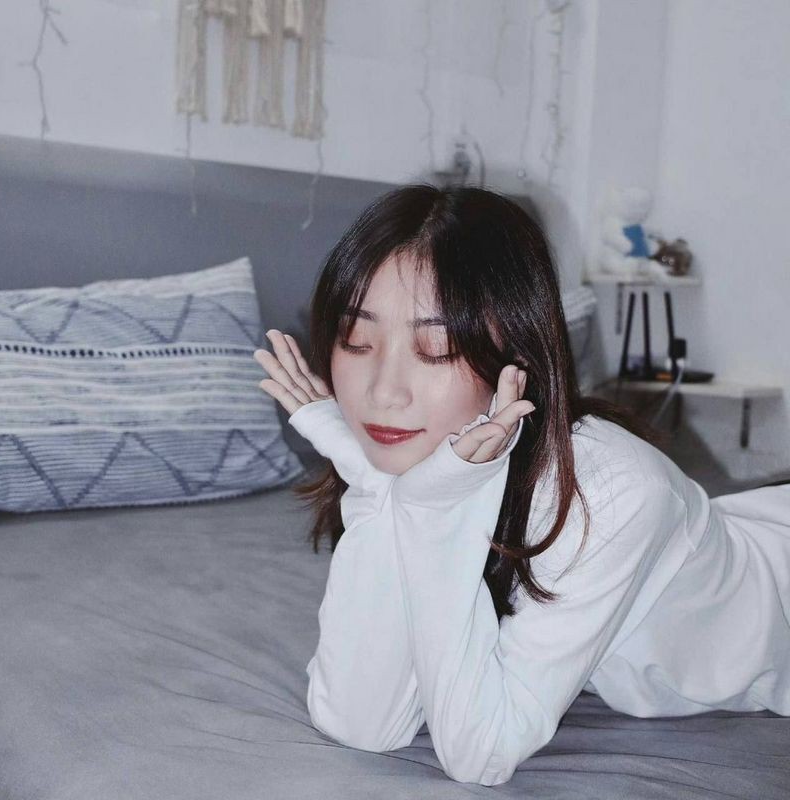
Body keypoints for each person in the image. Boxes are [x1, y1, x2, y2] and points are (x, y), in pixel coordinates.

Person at [253, 184, 790, 786]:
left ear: (517, 356)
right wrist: (372, 478)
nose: (383, 392)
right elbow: (361, 722)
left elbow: (480, 754)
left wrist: (430, 507)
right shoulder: (427, 461)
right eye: (357, 340)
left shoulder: (614, 491)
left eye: (436, 348)